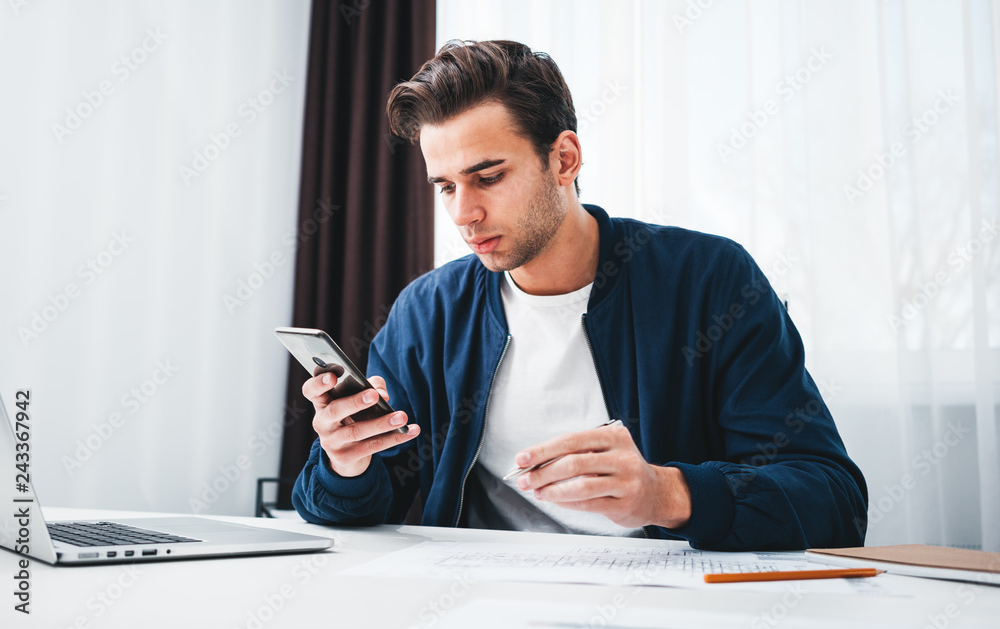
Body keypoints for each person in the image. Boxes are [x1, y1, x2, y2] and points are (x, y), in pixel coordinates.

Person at [291, 39, 868, 550]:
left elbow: (834, 501)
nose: (464, 214)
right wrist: (346, 465)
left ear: (563, 158)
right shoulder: (428, 312)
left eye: (488, 176)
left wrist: (667, 494)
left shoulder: (710, 280)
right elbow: (358, 513)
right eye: (446, 186)